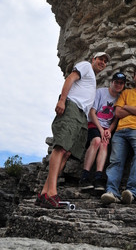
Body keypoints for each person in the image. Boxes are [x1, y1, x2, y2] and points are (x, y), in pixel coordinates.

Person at [35, 52, 110, 209]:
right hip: (72, 107)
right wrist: (62, 100)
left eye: (105, 61)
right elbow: (70, 78)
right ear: (93, 59)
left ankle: (44, 193)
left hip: (81, 115)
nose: (102, 62)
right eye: (100, 59)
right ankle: (52, 193)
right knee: (60, 148)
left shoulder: (92, 78)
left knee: (67, 152)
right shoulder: (86, 67)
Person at [101, 65, 136, 205]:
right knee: (116, 160)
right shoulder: (126, 93)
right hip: (120, 131)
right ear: (134, 77)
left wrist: (126, 107)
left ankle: (132, 192)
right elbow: (118, 113)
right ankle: (111, 192)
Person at [79, 72, 127, 191]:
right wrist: (100, 129)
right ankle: (84, 176)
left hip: (107, 127)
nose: (118, 85)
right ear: (112, 82)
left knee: (104, 143)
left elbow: (115, 118)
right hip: (94, 123)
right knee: (96, 141)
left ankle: (98, 177)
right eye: (116, 82)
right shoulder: (101, 92)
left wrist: (109, 130)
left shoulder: (120, 98)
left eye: (121, 83)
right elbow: (91, 112)